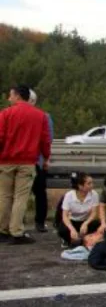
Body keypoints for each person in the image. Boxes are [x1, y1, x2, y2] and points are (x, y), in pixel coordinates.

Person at [0, 85, 52, 245]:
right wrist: (46, 157)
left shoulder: (5, 114)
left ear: (17, 96)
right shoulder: (40, 116)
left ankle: (2, 230)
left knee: (4, 196)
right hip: (28, 162)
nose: (9, 99)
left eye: (11, 95)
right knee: (20, 197)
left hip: (6, 161)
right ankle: (16, 231)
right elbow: (45, 140)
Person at [28, 90, 54, 233]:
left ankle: (39, 221)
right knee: (39, 193)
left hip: (33, 160)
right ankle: (39, 222)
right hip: (37, 160)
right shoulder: (45, 116)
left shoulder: (44, 117)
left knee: (38, 193)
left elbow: (47, 140)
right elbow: (48, 140)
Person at [58, 171, 101, 247]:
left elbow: (94, 213)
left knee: (97, 225)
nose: (92, 185)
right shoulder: (69, 196)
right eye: (89, 183)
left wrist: (86, 223)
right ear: (80, 186)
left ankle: (82, 240)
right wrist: (72, 229)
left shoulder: (94, 194)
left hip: (86, 221)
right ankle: (69, 239)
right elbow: (64, 216)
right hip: (73, 221)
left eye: (92, 183)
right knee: (62, 229)